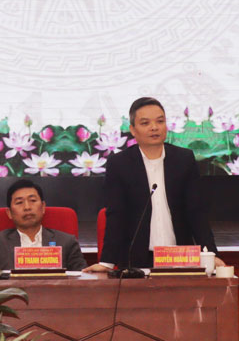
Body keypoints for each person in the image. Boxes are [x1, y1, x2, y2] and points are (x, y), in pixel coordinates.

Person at [88, 97, 223, 272]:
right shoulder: (120, 164)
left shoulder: (184, 159)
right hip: (136, 259)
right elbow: (116, 215)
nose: (154, 127)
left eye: (160, 121)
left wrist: (211, 253)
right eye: (145, 123)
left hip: (180, 255)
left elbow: (196, 212)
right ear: (133, 130)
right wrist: (107, 262)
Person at [0, 178, 87, 271]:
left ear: (43, 207)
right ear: (9, 213)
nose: (27, 207)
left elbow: (83, 278)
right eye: (19, 202)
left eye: (33, 200)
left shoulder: (66, 242)